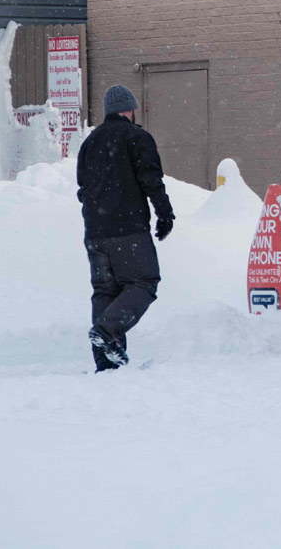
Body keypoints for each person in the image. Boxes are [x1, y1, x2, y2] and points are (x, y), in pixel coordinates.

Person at [76, 84, 175, 371]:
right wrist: (165, 214)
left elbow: (83, 188)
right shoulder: (137, 137)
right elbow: (151, 181)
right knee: (144, 282)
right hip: (128, 229)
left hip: (95, 232)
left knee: (105, 291)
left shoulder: (89, 143)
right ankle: (107, 332)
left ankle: (106, 361)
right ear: (129, 109)